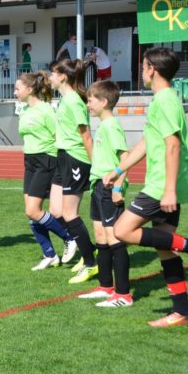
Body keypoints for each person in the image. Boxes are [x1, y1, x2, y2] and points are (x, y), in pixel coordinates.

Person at [104, 48, 188, 327]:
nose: (141, 71)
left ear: (151, 69)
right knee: (165, 248)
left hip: (162, 184)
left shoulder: (166, 100)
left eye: (143, 66)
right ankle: (182, 312)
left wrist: (168, 190)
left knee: (122, 230)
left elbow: (173, 145)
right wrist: (119, 170)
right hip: (164, 181)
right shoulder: (163, 99)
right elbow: (147, 142)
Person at [77, 80, 132, 307]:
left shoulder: (112, 126)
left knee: (114, 239)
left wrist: (118, 187)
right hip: (98, 186)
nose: (88, 104)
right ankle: (105, 287)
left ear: (104, 101)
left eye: (91, 100)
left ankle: (123, 294)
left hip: (110, 188)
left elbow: (126, 158)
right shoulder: (103, 125)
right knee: (100, 237)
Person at [15, 73, 75, 270]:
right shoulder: (24, 110)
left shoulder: (47, 110)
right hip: (29, 160)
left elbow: (58, 136)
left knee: (33, 210)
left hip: (46, 160)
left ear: (30, 89)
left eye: (17, 88)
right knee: (31, 212)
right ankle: (49, 254)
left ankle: (69, 238)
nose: (15, 92)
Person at [49, 58, 97, 283]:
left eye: (52, 73)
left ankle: (91, 263)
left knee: (69, 213)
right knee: (55, 210)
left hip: (75, 158)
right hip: (63, 156)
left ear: (62, 76)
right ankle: (90, 249)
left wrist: (96, 165)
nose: (49, 77)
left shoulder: (74, 101)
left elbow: (86, 136)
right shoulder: (65, 99)